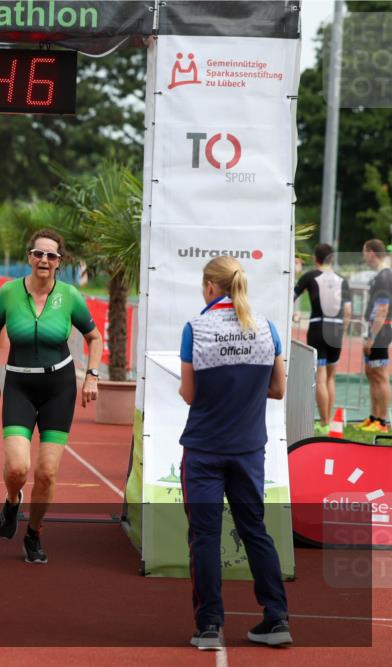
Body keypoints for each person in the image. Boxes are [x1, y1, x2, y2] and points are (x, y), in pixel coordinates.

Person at [178, 256, 290, 651]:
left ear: (210, 286)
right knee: (254, 530)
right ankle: (276, 618)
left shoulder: (196, 328)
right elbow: (278, 390)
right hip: (248, 449)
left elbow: (189, 395)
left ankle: (209, 627)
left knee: (205, 536)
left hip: (205, 449)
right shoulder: (267, 328)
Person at [0, 229, 103, 564]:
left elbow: (95, 337)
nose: (44, 261)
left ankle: (34, 533)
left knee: (48, 472)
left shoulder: (70, 296)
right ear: (29, 257)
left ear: (59, 262)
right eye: (38, 254)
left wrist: (91, 376)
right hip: (19, 385)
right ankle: (12, 500)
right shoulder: (8, 293)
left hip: (59, 388)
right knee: (18, 467)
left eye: (51, 256)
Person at [292, 243, 351, 430]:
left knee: (320, 378)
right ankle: (329, 419)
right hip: (336, 330)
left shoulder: (310, 276)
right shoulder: (343, 280)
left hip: (318, 327)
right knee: (331, 377)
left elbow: (290, 296)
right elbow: (348, 311)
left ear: (315, 259)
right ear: (332, 259)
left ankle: (324, 422)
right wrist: (343, 329)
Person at [360, 239, 392, 433]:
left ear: (371, 252)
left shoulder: (385, 276)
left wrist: (372, 337)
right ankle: (373, 417)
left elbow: (382, 309)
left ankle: (382, 421)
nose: (363, 255)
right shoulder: (379, 275)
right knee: (371, 372)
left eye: (364, 252)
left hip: (381, 329)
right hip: (375, 328)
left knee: (380, 375)